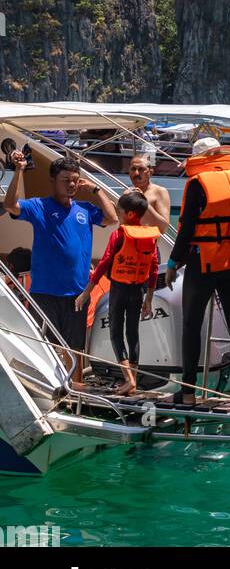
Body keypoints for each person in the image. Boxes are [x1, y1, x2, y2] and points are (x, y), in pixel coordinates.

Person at [165, 137, 230, 408]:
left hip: (204, 263)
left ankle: (188, 392)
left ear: (200, 159)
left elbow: (186, 231)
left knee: (191, 324)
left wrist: (173, 264)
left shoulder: (198, 184)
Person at [3, 150, 117, 385]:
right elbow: (11, 205)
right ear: (53, 180)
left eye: (75, 180)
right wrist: (19, 171)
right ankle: (51, 385)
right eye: (66, 180)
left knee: (75, 346)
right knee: (44, 343)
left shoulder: (85, 209)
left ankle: (75, 387)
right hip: (45, 292)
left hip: (77, 293)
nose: (72, 184)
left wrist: (96, 189)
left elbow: (112, 218)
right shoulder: (39, 206)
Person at [75, 190, 159, 395]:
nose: (118, 214)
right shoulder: (151, 236)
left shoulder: (119, 235)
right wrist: (148, 298)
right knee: (133, 333)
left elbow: (103, 264)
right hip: (138, 289)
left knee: (115, 333)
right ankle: (134, 380)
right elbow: (154, 268)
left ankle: (129, 380)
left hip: (120, 289)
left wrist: (86, 292)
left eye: (120, 211)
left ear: (130, 214)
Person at [127, 153, 171, 235]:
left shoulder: (159, 192)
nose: (136, 173)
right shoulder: (127, 193)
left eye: (141, 169)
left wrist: (143, 202)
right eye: (133, 169)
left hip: (148, 246)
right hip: (127, 245)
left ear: (150, 172)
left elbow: (163, 228)